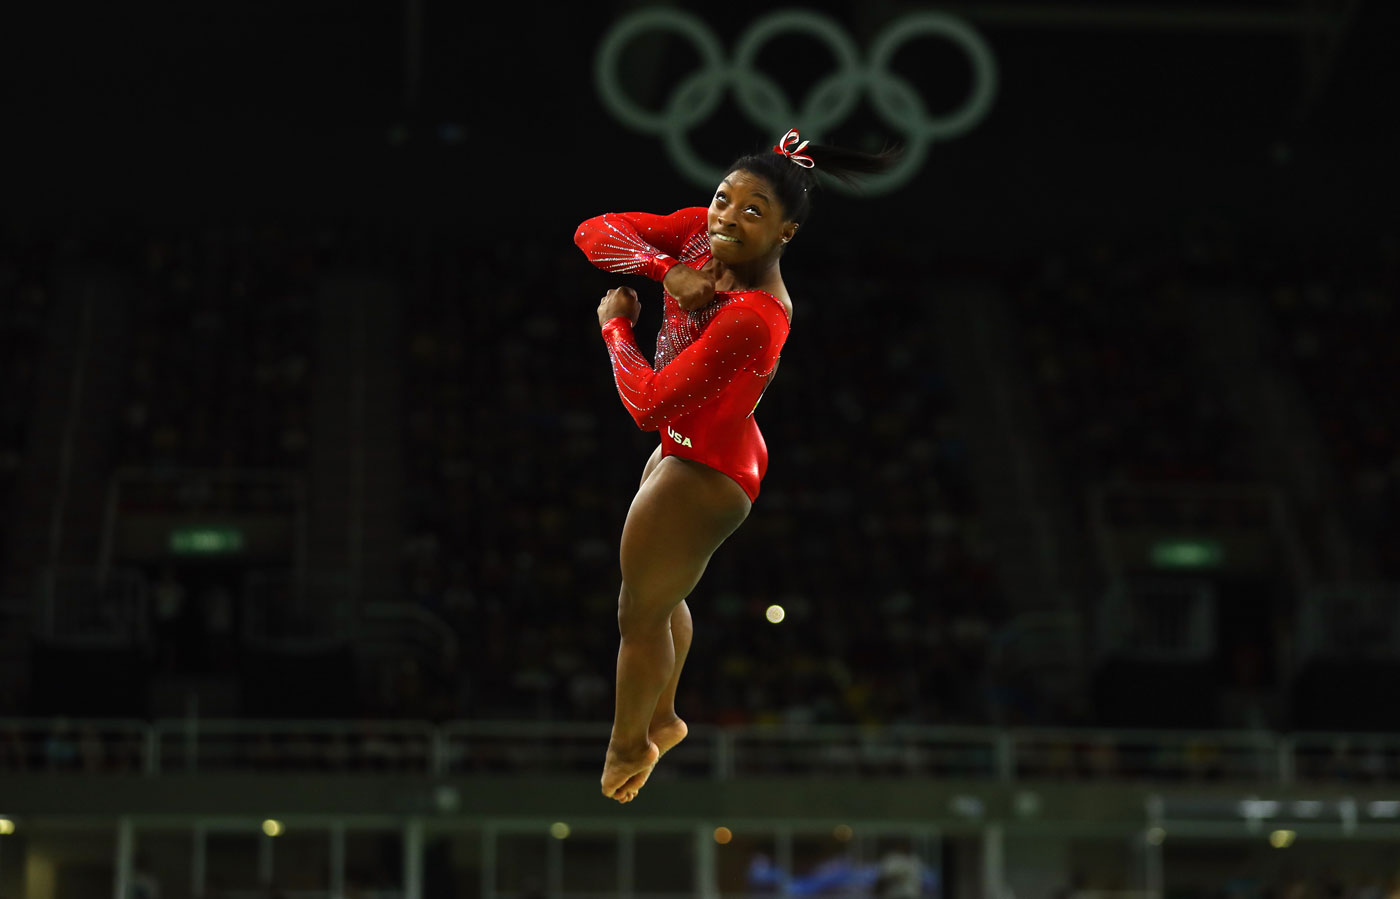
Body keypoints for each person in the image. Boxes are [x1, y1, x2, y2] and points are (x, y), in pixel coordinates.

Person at [574, 127, 900, 802]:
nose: (726, 217)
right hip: (696, 445)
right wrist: (668, 269)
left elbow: (646, 402)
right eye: (724, 198)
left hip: (708, 469)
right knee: (662, 598)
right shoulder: (696, 237)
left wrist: (614, 325)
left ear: (786, 234)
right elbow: (591, 231)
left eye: (753, 212)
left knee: (637, 617)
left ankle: (627, 741)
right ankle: (662, 717)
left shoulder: (755, 316)